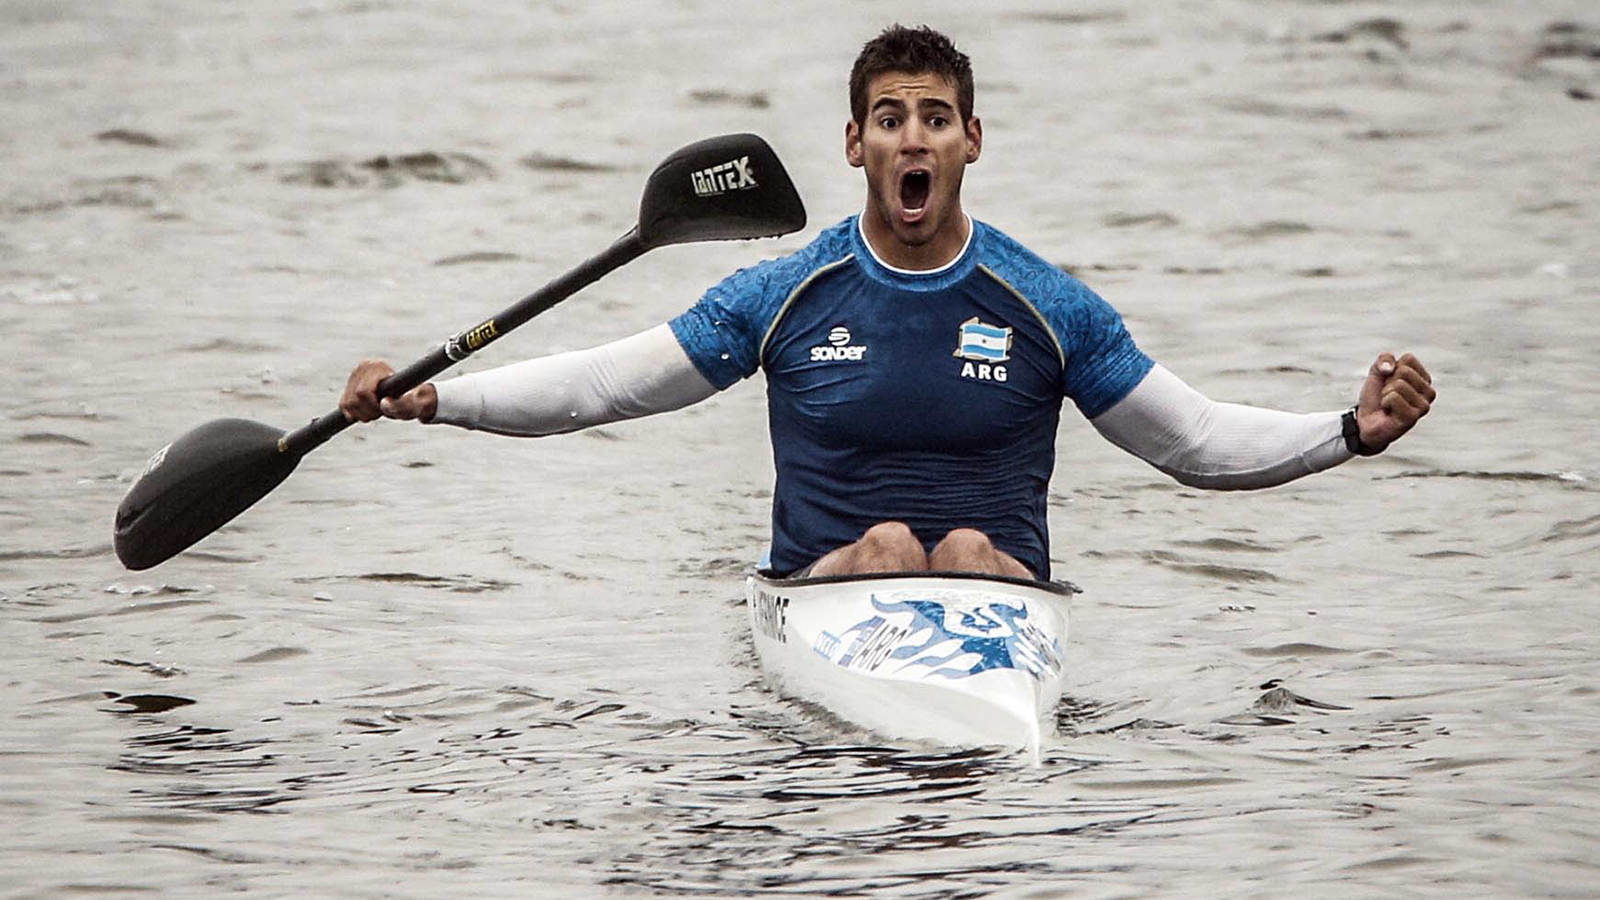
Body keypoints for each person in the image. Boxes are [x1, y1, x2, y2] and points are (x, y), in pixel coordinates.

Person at [340, 25, 1435, 582]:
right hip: (827, 592)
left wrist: (1349, 432)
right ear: (855, 143)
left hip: (999, 603)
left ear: (971, 140)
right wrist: (441, 397)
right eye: (891, 118)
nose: (915, 137)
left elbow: (1193, 443)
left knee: (961, 552)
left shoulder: (1047, 306)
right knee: (891, 547)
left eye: (936, 118)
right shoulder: (783, 294)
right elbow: (607, 385)